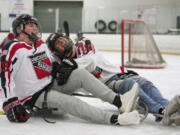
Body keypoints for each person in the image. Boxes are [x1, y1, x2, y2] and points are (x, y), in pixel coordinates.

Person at [0, 14, 140, 126]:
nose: (35, 29)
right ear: (19, 29)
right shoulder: (13, 47)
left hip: (50, 84)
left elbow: (52, 64)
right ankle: (115, 119)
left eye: (36, 25)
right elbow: (4, 75)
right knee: (71, 102)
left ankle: (120, 102)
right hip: (32, 96)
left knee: (80, 74)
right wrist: (10, 102)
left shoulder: (41, 45)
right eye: (31, 25)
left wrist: (62, 67)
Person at [54, 32, 169, 122]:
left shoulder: (83, 43)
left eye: (62, 39)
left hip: (118, 73)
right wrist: (65, 65)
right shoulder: (63, 65)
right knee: (130, 85)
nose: (62, 43)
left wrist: (70, 64)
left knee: (146, 83)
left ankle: (167, 107)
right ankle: (160, 111)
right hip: (107, 84)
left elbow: (91, 61)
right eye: (58, 44)